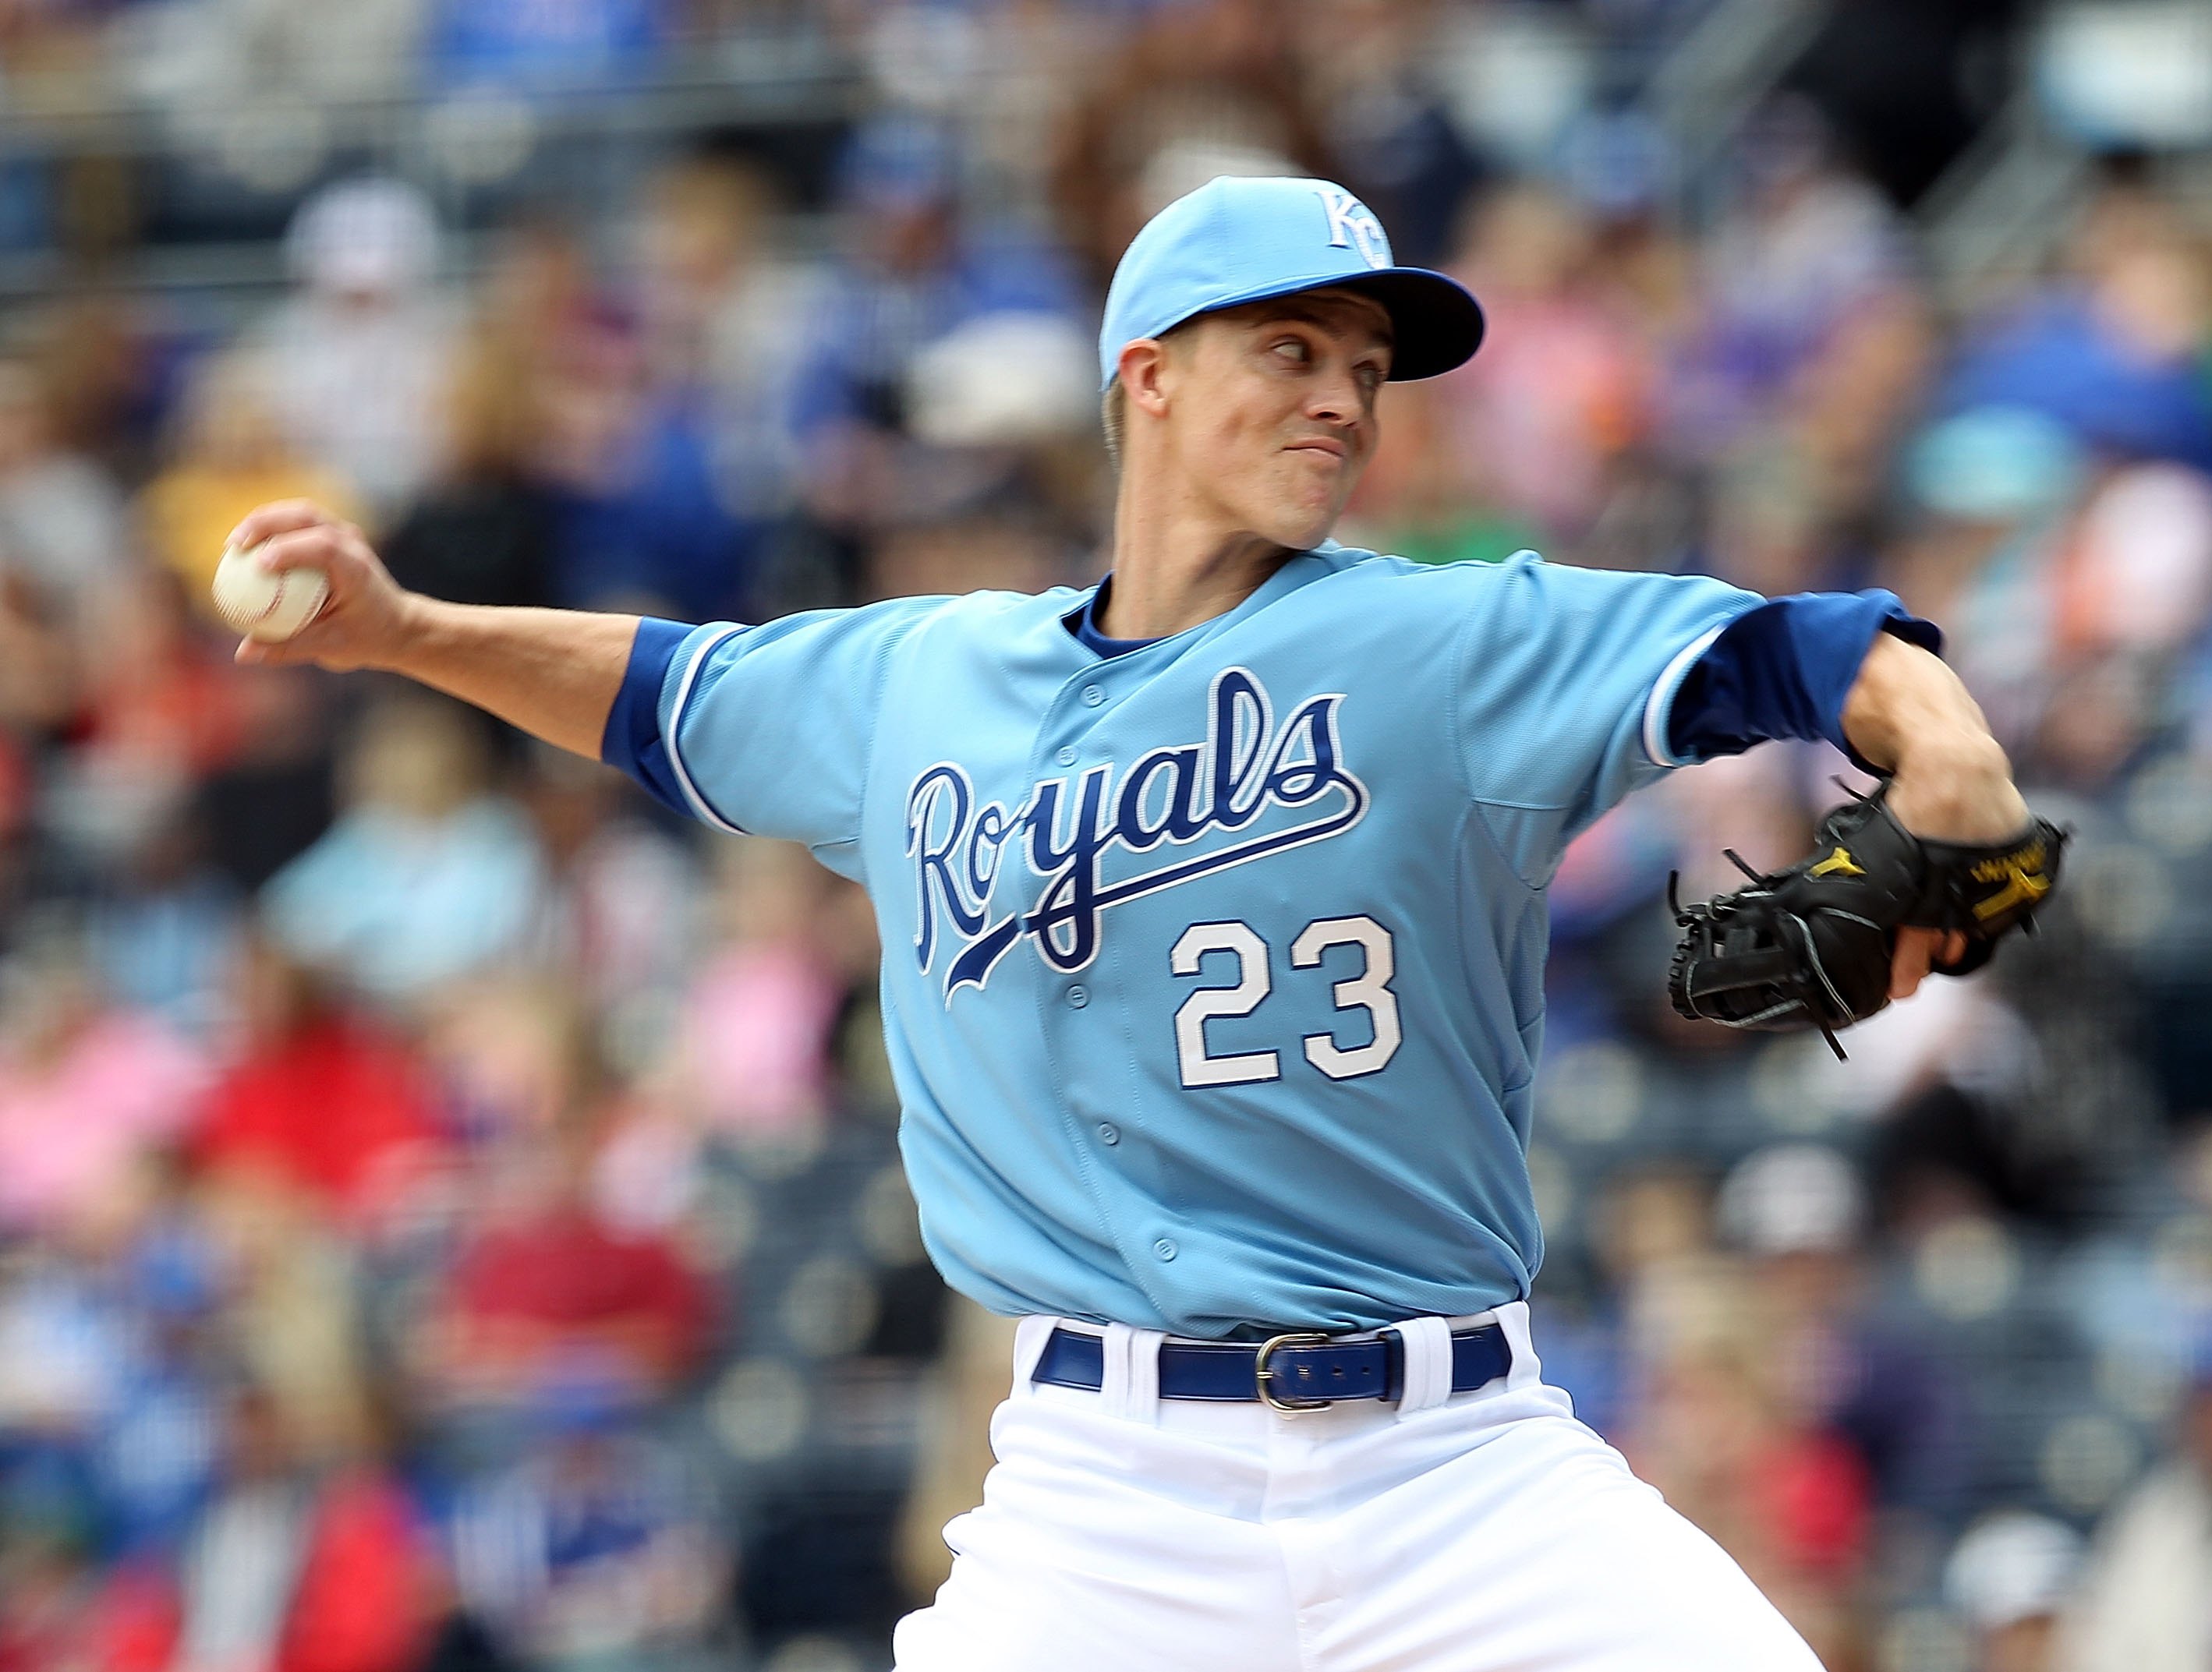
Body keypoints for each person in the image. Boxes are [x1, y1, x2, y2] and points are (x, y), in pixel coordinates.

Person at [225, 175, 2040, 1669]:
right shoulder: (927, 679)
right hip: (1104, 1499)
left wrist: (1945, 745)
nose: (1342, 392)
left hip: (1459, 1473)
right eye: (1290, 347)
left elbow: (1792, 651)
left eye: (1366, 364)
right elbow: (663, 689)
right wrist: (403, 633)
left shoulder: (1445, 640)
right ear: (1149, 375)